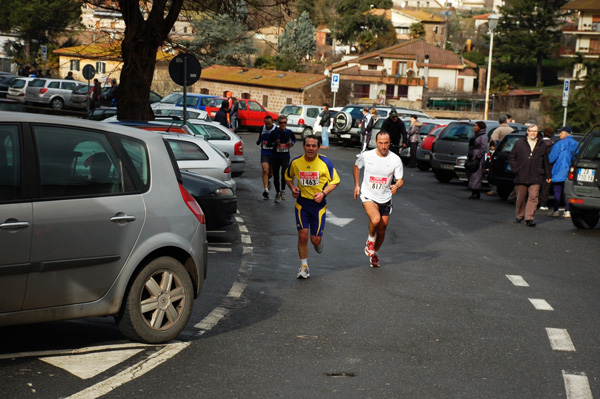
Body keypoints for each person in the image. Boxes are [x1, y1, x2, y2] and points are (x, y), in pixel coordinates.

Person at [285, 135, 340, 279]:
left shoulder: (325, 162)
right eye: (308, 145)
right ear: (303, 146)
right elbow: (288, 177)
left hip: (318, 206)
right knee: (302, 235)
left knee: (314, 240)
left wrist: (323, 193)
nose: (310, 148)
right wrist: (292, 188)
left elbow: (335, 181)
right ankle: (304, 267)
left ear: (318, 147)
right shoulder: (296, 162)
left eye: (313, 146)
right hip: (302, 205)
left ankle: (317, 242)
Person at [354, 131, 404, 268]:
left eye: (386, 143)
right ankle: (370, 240)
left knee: (382, 231)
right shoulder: (367, 155)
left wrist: (396, 186)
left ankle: (374, 253)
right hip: (368, 195)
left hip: (385, 197)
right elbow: (357, 167)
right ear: (376, 142)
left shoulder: (395, 159)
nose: (383, 146)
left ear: (390, 143)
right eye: (380, 143)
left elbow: (400, 180)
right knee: (375, 219)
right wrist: (357, 185)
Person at [508, 124, 552, 227]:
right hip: (521, 175)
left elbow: (545, 161)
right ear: (527, 132)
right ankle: (519, 216)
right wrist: (516, 169)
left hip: (536, 175)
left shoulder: (542, 144)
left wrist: (548, 175)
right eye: (531, 131)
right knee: (521, 198)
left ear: (538, 132)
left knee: (533, 197)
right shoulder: (519, 143)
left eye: (535, 131)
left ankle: (529, 218)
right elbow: (512, 157)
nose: (533, 133)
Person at [548, 126, 578, 218]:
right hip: (571, 170)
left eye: (561, 132)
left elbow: (551, 158)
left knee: (557, 190)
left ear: (565, 133)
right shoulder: (576, 144)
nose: (559, 134)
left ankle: (556, 210)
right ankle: (567, 210)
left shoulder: (559, 144)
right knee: (568, 192)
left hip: (559, 170)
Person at [268, 115, 297, 203]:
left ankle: (283, 191)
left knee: (284, 174)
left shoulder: (289, 132)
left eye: (284, 123)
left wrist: (291, 143)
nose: (283, 124)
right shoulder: (274, 133)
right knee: (276, 175)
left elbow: (294, 139)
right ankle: (277, 193)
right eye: (281, 123)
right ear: (278, 123)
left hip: (285, 156)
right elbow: (269, 143)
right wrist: (274, 144)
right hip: (276, 156)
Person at [467, 121, 488, 199]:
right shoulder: (475, 135)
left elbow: (483, 147)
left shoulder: (483, 136)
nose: (474, 127)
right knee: (472, 174)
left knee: (477, 175)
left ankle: (476, 192)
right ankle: (473, 190)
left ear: (480, 127)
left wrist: (478, 156)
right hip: (472, 155)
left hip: (478, 157)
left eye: (476, 126)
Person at [257, 115, 276, 199]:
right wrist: (258, 141)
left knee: (270, 172)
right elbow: (260, 137)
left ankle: (269, 180)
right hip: (264, 151)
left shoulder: (276, 129)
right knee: (265, 169)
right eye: (266, 124)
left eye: (269, 124)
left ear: (272, 122)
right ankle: (266, 190)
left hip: (273, 153)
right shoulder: (262, 128)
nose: (268, 125)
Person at [538, 127, 555, 211]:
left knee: (536, 185)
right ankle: (543, 204)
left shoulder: (539, 143)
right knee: (545, 187)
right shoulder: (552, 145)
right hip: (548, 168)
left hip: (538, 167)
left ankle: (535, 201)